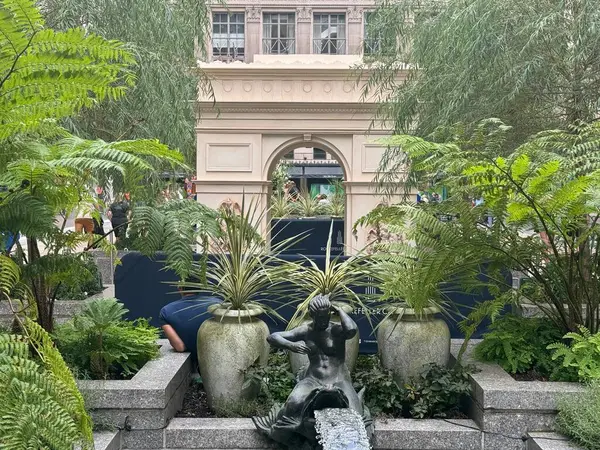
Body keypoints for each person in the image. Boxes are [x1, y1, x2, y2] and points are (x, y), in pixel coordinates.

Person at [253, 294, 369, 446]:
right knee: (292, 405)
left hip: (339, 379)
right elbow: (272, 337)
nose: (323, 321)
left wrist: (338, 309)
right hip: (313, 380)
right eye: (319, 318)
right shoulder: (306, 330)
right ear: (312, 316)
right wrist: (291, 345)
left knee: (355, 414)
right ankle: (291, 435)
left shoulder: (336, 330)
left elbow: (352, 330)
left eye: (325, 317)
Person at [159, 292, 220, 365]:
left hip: (196, 366)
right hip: (219, 361)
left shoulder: (166, 311)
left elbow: (180, 347)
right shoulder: (218, 304)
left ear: (180, 287)